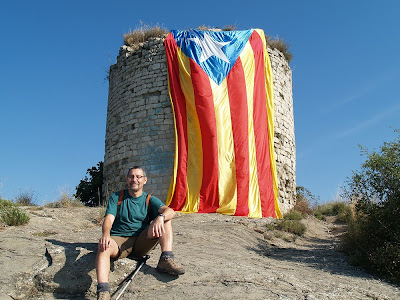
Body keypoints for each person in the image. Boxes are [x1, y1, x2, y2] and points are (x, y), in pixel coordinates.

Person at [95, 166, 184, 300]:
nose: (134, 180)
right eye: (131, 176)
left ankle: (166, 259)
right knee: (103, 247)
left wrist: (160, 218)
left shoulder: (149, 199)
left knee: (166, 219)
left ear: (145, 180)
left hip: (141, 242)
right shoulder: (117, 197)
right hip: (118, 240)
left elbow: (170, 211)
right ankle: (103, 292)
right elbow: (109, 218)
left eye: (138, 177)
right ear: (127, 179)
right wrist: (106, 235)